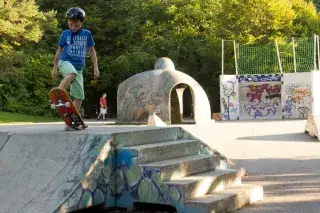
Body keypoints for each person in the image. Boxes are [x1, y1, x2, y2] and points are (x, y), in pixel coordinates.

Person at [51, 7, 99, 120]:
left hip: (79, 68)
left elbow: (92, 51)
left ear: (81, 23)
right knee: (71, 73)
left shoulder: (87, 34)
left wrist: (95, 67)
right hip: (65, 62)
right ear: (68, 22)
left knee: (79, 96)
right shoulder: (65, 34)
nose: (73, 27)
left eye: (76, 25)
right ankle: (57, 99)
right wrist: (54, 68)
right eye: (71, 24)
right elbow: (59, 50)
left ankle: (73, 119)